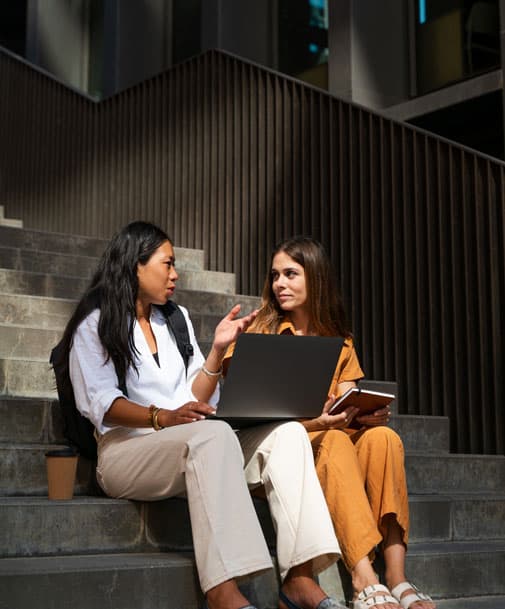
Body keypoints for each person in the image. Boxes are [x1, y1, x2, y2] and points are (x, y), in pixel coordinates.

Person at [53, 221, 347, 609]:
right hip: (126, 451)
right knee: (211, 436)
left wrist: (216, 351)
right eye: (167, 264)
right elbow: (103, 404)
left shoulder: (175, 318)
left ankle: (299, 579)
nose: (175, 274)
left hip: (193, 442)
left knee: (289, 434)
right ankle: (223, 590)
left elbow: (195, 395)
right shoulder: (96, 323)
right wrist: (163, 417)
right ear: (135, 265)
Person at [223, 237, 436, 609]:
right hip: (280, 450)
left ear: (316, 279)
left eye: (291, 274)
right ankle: (362, 576)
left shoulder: (341, 342)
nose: (279, 284)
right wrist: (317, 419)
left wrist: (361, 413)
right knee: (335, 441)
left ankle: (397, 577)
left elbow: (344, 402)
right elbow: (242, 407)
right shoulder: (260, 332)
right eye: (275, 275)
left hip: (327, 441)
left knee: (383, 438)